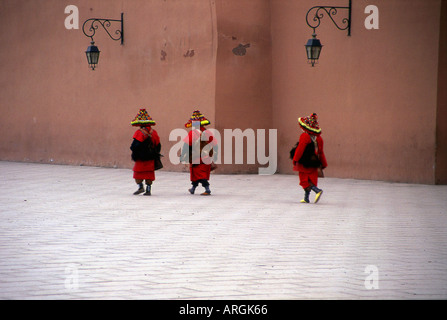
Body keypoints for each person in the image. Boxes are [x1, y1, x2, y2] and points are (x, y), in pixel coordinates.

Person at [180, 110, 217, 195]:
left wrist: (183, 155)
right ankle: (193, 188)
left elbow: (187, 144)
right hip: (206, 157)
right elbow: (214, 143)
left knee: (199, 174)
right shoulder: (207, 132)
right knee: (201, 173)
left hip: (196, 157)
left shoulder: (193, 133)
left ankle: (207, 189)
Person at [292, 113, 327, 203]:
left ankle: (317, 190)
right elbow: (321, 152)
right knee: (311, 178)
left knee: (304, 179)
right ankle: (306, 198)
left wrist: (295, 159)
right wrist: (323, 163)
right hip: (314, 161)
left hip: (305, 162)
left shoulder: (304, 136)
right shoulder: (319, 138)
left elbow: (300, 149)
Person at [130, 109, 161, 196]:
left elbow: (134, 145)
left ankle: (140, 187)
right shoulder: (154, 132)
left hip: (141, 157)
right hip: (151, 157)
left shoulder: (139, 133)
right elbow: (158, 145)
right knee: (149, 174)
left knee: (138, 173)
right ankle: (148, 190)